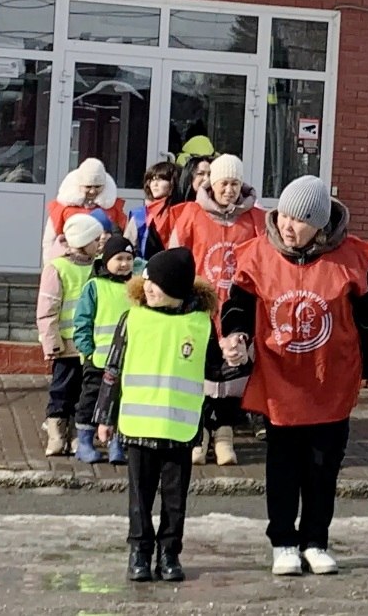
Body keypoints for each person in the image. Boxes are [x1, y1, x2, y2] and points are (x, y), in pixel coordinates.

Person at [220, 175, 368, 576]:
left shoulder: (354, 259)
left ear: (319, 223)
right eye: (283, 216)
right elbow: (237, 304)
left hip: (331, 381)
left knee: (322, 468)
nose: (286, 226)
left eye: (297, 220)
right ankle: (282, 541)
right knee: (283, 466)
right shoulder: (256, 254)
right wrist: (235, 334)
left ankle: (315, 540)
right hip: (280, 382)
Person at [93, 248, 248, 583]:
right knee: (140, 496)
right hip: (138, 427)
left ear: (176, 288)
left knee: (175, 499)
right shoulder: (132, 318)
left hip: (180, 429)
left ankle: (169, 553)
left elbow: (213, 370)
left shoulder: (199, 323)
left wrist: (238, 361)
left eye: (156, 283)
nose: (147, 287)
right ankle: (139, 551)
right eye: (147, 280)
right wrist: (105, 416)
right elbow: (113, 369)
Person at [169, 154, 264, 465]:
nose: (230, 190)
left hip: (237, 309)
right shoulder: (191, 215)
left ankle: (224, 434)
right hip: (199, 308)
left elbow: (265, 263)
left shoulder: (255, 219)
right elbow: (175, 259)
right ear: (212, 183)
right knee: (199, 373)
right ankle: (200, 434)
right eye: (224, 183)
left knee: (232, 375)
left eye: (235, 184)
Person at [36, 213, 104, 456]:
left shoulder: (99, 266)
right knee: (61, 389)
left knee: (84, 391)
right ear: (82, 240)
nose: (100, 243)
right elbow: (47, 308)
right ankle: (56, 432)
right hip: (65, 345)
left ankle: (77, 433)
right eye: (95, 239)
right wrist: (51, 342)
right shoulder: (57, 267)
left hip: (90, 344)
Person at [71, 235, 136, 464]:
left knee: (120, 402)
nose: (124, 264)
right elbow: (82, 319)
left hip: (127, 361)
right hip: (98, 359)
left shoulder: (136, 286)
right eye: (119, 258)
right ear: (106, 259)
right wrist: (86, 349)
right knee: (90, 400)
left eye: (129, 258)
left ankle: (117, 444)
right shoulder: (95, 286)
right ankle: (85, 442)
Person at [42, 158, 125, 265]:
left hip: (102, 263)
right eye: (88, 186)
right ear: (78, 184)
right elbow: (50, 240)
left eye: (97, 187)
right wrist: (49, 265)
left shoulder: (113, 208)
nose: (92, 191)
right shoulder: (63, 208)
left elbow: (121, 238)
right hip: (69, 262)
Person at [125, 159, 180, 260]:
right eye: (152, 179)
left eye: (161, 179)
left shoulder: (182, 212)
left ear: (173, 182)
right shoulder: (140, 215)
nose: (155, 184)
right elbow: (127, 247)